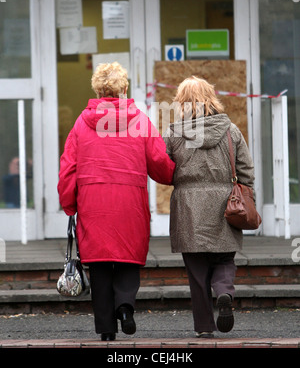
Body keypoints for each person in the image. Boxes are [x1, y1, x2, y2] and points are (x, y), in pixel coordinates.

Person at [57, 62, 175, 341]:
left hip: (93, 203)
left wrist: (69, 204)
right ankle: (125, 307)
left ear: (98, 89)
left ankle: (106, 329)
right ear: (124, 89)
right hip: (129, 202)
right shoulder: (140, 120)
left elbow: (68, 168)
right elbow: (158, 160)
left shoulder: (81, 124)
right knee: (127, 258)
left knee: (98, 264)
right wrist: (173, 175)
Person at [163, 76, 255, 338]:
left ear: (181, 102)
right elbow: (245, 170)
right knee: (225, 257)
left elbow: (163, 168)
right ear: (211, 97)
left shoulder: (173, 132)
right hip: (224, 202)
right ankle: (224, 290)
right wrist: (249, 199)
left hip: (188, 207)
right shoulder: (230, 130)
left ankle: (204, 327)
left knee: (196, 268)